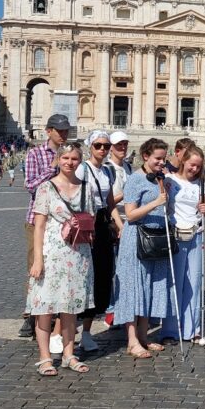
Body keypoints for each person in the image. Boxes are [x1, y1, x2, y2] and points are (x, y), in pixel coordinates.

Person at [26, 142, 94, 376]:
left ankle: (69, 354)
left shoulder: (86, 187)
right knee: (45, 305)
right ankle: (45, 357)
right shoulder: (46, 188)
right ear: (58, 160)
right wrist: (38, 258)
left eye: (74, 159)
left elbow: (91, 216)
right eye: (65, 158)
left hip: (78, 252)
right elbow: (39, 225)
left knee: (71, 307)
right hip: (52, 253)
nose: (69, 162)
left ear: (79, 161)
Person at [110, 138, 172, 359]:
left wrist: (166, 190)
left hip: (156, 239)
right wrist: (156, 202)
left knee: (151, 286)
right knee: (133, 287)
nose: (161, 162)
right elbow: (131, 214)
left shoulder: (160, 179)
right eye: (158, 158)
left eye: (164, 159)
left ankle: (144, 336)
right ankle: (132, 340)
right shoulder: (135, 180)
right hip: (136, 239)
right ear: (146, 156)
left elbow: (167, 209)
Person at [20, 113, 70, 343]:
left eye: (66, 131)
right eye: (59, 131)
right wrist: (52, 169)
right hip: (38, 220)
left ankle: (57, 314)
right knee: (36, 266)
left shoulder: (70, 155)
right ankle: (31, 315)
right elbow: (30, 186)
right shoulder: (35, 154)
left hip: (63, 222)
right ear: (48, 131)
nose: (63, 135)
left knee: (61, 267)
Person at [76, 130, 124, 352]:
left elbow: (110, 202)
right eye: (98, 145)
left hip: (103, 226)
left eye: (106, 146)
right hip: (86, 226)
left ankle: (86, 332)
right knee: (83, 278)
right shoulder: (81, 169)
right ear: (90, 146)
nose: (103, 149)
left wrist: (120, 226)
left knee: (102, 278)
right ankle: (62, 330)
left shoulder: (108, 171)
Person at [162, 141, 205, 344]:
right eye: (192, 165)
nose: (194, 169)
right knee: (175, 282)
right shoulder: (169, 180)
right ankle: (171, 330)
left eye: (198, 166)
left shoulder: (201, 184)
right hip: (175, 235)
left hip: (195, 234)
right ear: (183, 161)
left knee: (193, 283)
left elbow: (203, 208)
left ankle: (192, 328)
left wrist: (204, 210)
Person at [108, 131, 133, 222]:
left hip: (128, 217)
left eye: (125, 144)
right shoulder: (106, 168)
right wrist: (127, 193)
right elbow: (105, 202)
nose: (123, 148)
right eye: (119, 144)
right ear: (110, 147)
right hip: (113, 219)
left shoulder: (128, 167)